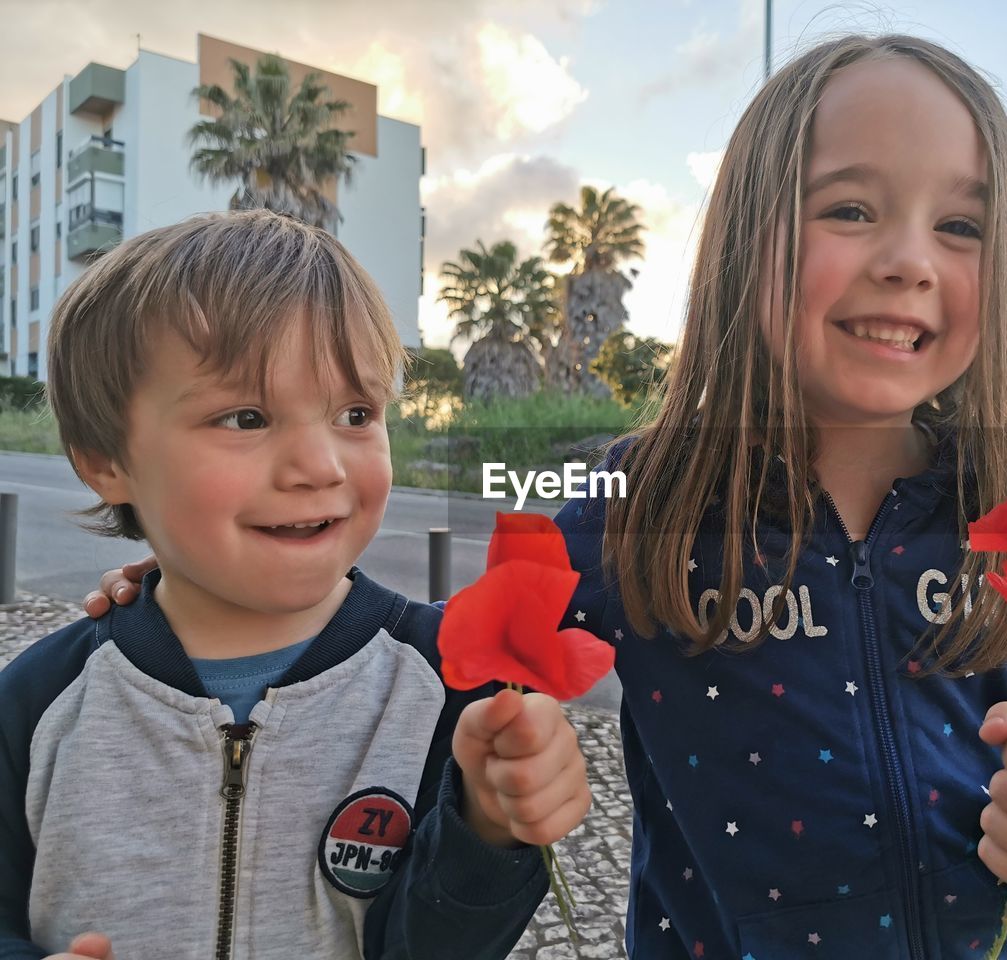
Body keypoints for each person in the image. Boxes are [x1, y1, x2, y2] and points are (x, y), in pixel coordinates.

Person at [86, 34, 1007, 960]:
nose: (907, 261)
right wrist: (199, 591)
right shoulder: (631, 500)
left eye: (959, 227)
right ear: (746, 243)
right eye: (849, 207)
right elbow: (452, 639)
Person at [9, 210, 590, 960]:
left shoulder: (450, 690)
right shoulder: (39, 703)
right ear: (104, 461)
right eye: (247, 417)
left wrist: (491, 829)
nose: (321, 467)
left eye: (357, 413)